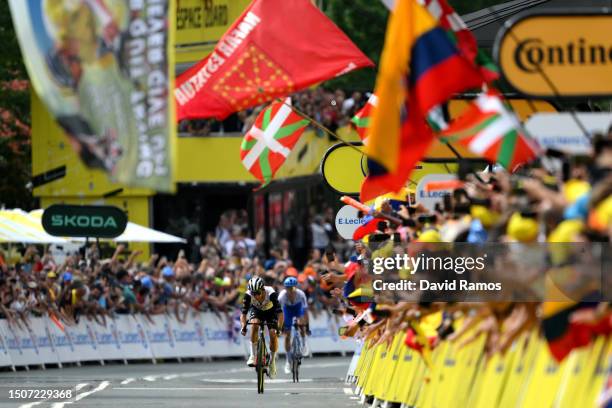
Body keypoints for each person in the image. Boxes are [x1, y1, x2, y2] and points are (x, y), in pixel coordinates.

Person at [240, 276, 283, 378]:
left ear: (263, 289)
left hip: (270, 313)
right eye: (253, 294)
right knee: (254, 325)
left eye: (258, 293)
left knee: (273, 334)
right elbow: (243, 314)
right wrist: (243, 326)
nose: (256, 296)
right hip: (257, 311)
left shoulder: (271, 293)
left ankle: (272, 362)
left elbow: (280, 314)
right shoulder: (248, 295)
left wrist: (279, 328)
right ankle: (252, 355)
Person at [278, 276, 310, 374]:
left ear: (296, 288)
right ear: (285, 288)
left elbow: (305, 312)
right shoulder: (281, 296)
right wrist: (279, 327)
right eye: (288, 288)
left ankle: (304, 343)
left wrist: (307, 326)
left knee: (301, 323)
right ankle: (288, 361)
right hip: (287, 310)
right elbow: (278, 313)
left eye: (292, 288)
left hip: (297, 308)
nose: (290, 291)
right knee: (287, 335)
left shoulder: (301, 294)